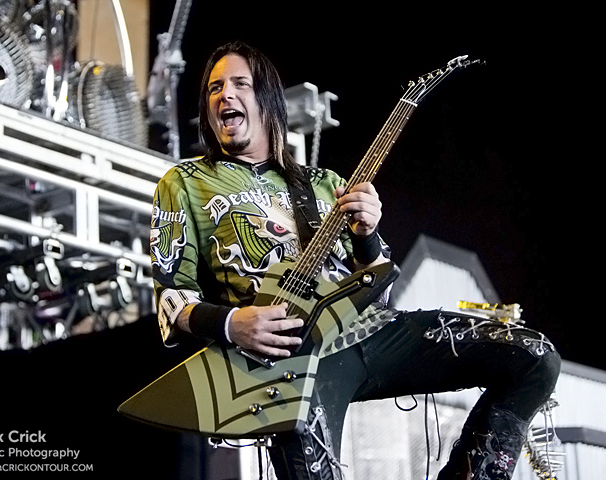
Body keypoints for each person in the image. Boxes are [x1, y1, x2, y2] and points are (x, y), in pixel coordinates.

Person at [150, 41, 561, 480]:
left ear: (267, 98)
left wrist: (367, 236)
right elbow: (172, 302)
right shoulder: (184, 182)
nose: (225, 95)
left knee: (535, 358)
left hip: (370, 333)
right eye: (215, 88)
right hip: (290, 364)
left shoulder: (325, 183)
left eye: (239, 84)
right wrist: (234, 324)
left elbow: (378, 290)